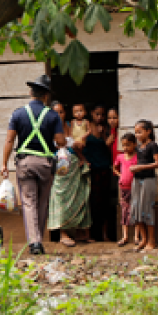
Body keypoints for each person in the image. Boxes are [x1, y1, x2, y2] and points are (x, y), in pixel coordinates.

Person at [1, 75, 66, 255]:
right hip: (45, 164)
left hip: (25, 163)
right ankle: (39, 239)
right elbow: (60, 141)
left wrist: (4, 164)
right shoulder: (53, 115)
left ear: (31, 93)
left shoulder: (18, 114)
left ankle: (35, 242)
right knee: (42, 203)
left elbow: (9, 140)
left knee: (29, 202)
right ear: (46, 96)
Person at [48, 104, 93, 247]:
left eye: (61, 112)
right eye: (56, 112)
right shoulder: (49, 128)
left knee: (80, 195)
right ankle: (63, 232)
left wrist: (82, 157)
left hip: (75, 163)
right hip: (61, 166)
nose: (59, 115)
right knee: (61, 197)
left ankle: (80, 231)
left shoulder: (71, 125)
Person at [78, 104, 113, 241]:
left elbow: (108, 146)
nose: (100, 117)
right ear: (91, 113)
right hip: (90, 169)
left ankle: (105, 235)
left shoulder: (107, 128)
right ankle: (89, 234)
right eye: (97, 114)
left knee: (104, 202)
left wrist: (104, 134)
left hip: (104, 169)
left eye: (102, 115)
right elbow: (79, 144)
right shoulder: (86, 126)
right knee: (91, 201)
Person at [130, 119, 158, 252]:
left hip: (148, 180)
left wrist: (140, 167)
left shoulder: (152, 145)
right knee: (136, 209)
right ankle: (143, 239)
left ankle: (152, 241)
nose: (137, 135)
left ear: (148, 132)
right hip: (137, 180)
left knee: (147, 209)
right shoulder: (138, 147)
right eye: (136, 132)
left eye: (139, 132)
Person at [113, 133, 138, 247]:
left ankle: (136, 236)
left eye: (128, 145)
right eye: (123, 145)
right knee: (124, 212)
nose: (125, 148)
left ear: (134, 144)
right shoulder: (120, 157)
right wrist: (120, 175)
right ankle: (125, 236)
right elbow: (114, 168)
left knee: (135, 211)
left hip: (135, 188)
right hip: (123, 188)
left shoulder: (137, 157)